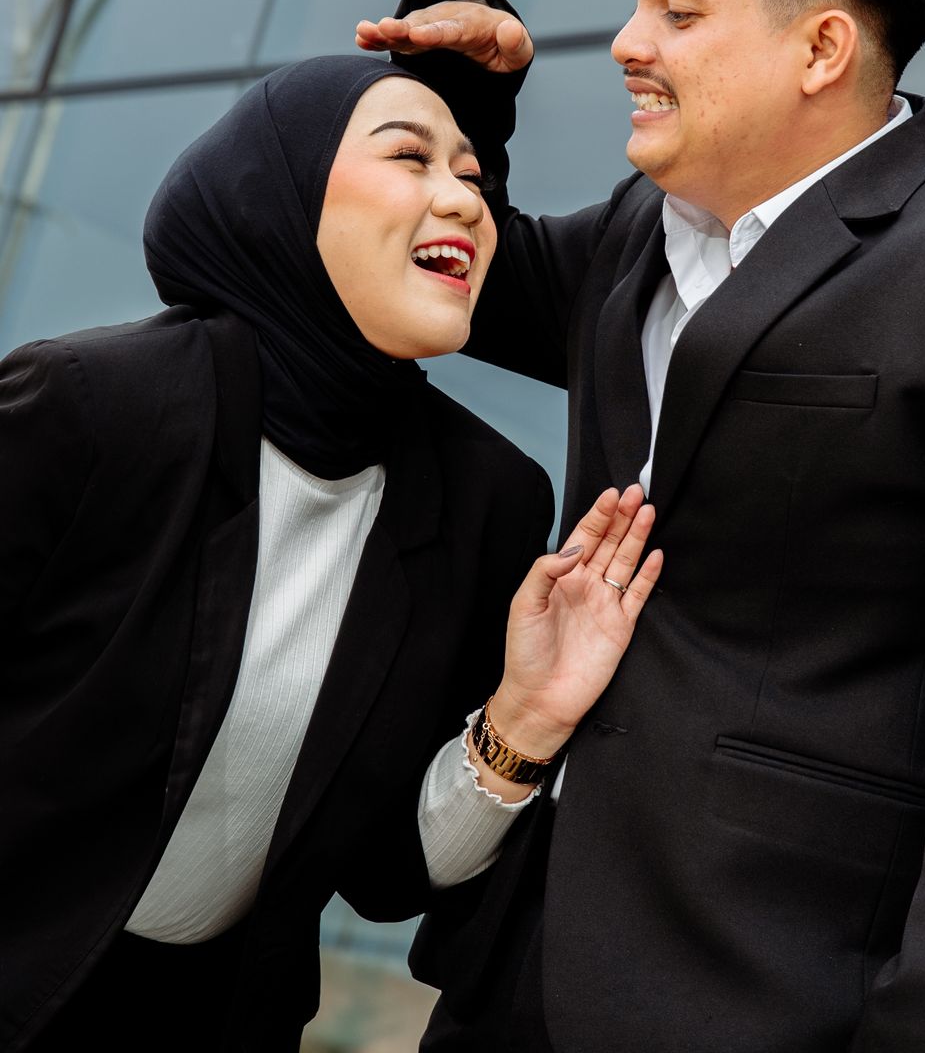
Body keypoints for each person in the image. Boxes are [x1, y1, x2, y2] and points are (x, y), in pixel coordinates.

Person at [358, 0, 925, 1053]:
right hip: (511, 979)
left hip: (768, 999)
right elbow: (444, 267)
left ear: (821, 48)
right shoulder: (633, 235)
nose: (627, 43)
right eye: (638, 1)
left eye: (676, 12)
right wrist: (467, 92)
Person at [0, 55, 661, 1053]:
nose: (466, 200)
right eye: (410, 157)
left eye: (472, 176)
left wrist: (525, 718)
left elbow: (389, 872)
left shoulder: (487, 500)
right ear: (280, 197)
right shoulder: (91, 409)